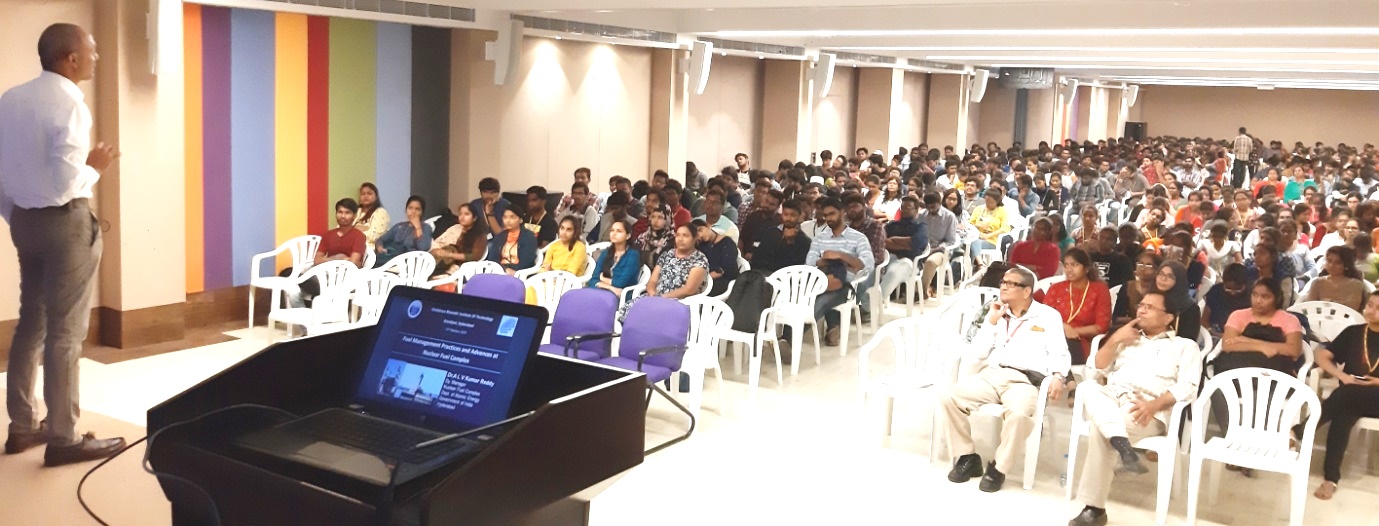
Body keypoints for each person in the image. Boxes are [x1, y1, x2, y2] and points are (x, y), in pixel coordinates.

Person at [0, 23, 127, 465]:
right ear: (71, 59)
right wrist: (96, 168)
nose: (95, 57)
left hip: (24, 222)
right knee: (65, 334)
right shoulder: (70, 102)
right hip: (64, 224)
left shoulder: (10, 99)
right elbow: (63, 181)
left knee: (31, 323)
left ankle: (21, 427)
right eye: (91, 51)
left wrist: (17, 214)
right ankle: (64, 438)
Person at [1067, 290, 1201, 526]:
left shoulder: (1184, 346)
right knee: (1087, 387)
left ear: (1168, 317)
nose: (1142, 310)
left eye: (1150, 307)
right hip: (1111, 397)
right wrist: (1115, 339)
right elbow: (1095, 369)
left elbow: (1189, 387)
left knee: (1100, 429)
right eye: (1141, 305)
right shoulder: (1127, 338)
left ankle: (1094, 508)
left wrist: (1153, 405)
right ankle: (1121, 444)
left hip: (1144, 408)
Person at [938, 266, 1070, 493]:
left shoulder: (1048, 316)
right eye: (1003, 282)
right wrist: (991, 322)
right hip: (992, 374)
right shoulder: (997, 312)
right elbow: (978, 353)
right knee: (949, 397)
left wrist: (1058, 376)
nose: (1004, 287)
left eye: (1011, 283)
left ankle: (999, 467)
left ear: (1027, 291)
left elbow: (1060, 352)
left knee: (1019, 415)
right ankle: (967, 456)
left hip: (1024, 381)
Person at [1210, 278, 1305, 453]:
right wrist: (1264, 347)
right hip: (1236, 371)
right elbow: (1228, 345)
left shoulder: (1289, 320)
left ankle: (1258, 447)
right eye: (1255, 295)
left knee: (1258, 395)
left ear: (1276, 298)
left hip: (1273, 375)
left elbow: (1294, 350)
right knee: (1218, 388)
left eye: (1265, 297)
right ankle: (1232, 441)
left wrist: (1244, 340)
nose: (1258, 300)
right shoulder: (1238, 316)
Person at [1305, 293, 1379, 500]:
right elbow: (1322, 355)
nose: (1371, 311)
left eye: (1378, 308)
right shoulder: (1354, 332)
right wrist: (1341, 375)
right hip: (1351, 395)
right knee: (1342, 414)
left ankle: (1302, 429)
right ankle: (1330, 479)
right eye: (1370, 305)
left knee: (1345, 395)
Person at [806, 197, 875, 346]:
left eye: (832, 214)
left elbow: (867, 265)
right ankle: (833, 326)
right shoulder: (820, 238)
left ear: (842, 212)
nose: (828, 218)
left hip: (848, 285)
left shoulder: (858, 238)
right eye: (826, 215)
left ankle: (790, 337)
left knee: (820, 301)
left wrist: (841, 256)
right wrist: (828, 260)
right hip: (823, 280)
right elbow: (810, 262)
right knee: (808, 298)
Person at [1036, 248, 1112, 365]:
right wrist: (1064, 328)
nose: (1069, 270)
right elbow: (1044, 316)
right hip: (1052, 335)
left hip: (1080, 341)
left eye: (1074, 265)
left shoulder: (1100, 289)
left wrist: (1074, 331)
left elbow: (1101, 327)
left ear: (1086, 268)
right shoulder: (1056, 288)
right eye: (1066, 265)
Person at [622, 224, 708, 319]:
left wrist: (663, 298)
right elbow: (653, 280)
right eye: (678, 235)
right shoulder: (667, 254)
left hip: (681, 302)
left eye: (685, 236)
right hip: (656, 297)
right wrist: (652, 293)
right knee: (630, 309)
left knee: (649, 315)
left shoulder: (699, 259)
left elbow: (689, 290)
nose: (680, 239)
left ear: (695, 238)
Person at [878, 196, 928, 304]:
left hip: (910, 261)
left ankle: (871, 304)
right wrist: (906, 244)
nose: (904, 210)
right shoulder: (892, 225)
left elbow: (917, 243)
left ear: (916, 210)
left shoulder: (920, 226)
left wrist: (893, 240)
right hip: (889, 258)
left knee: (893, 272)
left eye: (908, 208)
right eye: (903, 207)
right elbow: (882, 242)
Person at [754, 198, 813, 275]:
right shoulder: (771, 232)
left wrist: (789, 242)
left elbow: (795, 267)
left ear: (799, 217)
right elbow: (758, 258)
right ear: (782, 215)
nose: (788, 218)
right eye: (786, 214)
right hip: (763, 274)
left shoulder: (804, 241)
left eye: (793, 215)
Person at [918, 192, 960, 298]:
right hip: (923, 248)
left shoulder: (949, 216)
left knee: (931, 262)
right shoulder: (922, 215)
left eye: (933, 207)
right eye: (928, 207)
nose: (930, 210)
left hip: (941, 251)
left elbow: (951, 241)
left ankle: (921, 291)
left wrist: (934, 249)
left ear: (939, 203)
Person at [1303, 245, 1369, 311]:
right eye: (1329, 261)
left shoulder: (1356, 285)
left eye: (1338, 263)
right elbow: (1310, 308)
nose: (1332, 265)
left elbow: (1352, 310)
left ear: (1346, 265)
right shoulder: (1317, 283)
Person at [374, 196, 433, 266]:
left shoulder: (426, 227)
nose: (413, 211)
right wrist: (380, 247)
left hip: (409, 264)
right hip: (390, 259)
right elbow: (381, 239)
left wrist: (418, 227)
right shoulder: (399, 226)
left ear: (422, 212)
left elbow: (423, 248)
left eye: (417, 209)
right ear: (406, 210)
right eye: (410, 208)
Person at [430, 203, 488, 274]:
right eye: (460, 214)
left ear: (474, 218)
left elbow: (475, 256)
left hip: (464, 267)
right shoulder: (455, 229)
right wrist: (437, 251)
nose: (462, 217)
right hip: (443, 262)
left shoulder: (480, 235)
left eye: (466, 214)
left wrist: (450, 255)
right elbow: (438, 243)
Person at [588, 218, 641, 296]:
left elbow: (620, 283)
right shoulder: (605, 253)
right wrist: (611, 288)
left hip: (622, 295)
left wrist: (602, 279)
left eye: (619, 231)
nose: (614, 233)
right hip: (604, 290)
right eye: (612, 230)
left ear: (628, 236)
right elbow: (593, 279)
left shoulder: (633, 255)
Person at [1155, 260, 1202, 344]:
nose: (1163, 279)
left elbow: (1189, 341)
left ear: (1179, 280)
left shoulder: (1190, 308)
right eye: (1161, 274)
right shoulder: (1150, 298)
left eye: (1170, 276)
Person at [1201, 263, 1252, 338]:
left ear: (1245, 284)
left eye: (1238, 289)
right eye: (1228, 288)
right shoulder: (1215, 292)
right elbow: (1204, 321)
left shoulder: (1251, 297)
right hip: (1214, 335)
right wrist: (1218, 334)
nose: (1232, 292)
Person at [486, 205, 537, 276]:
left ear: (521, 220)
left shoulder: (529, 237)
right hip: (500, 270)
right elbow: (492, 258)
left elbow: (527, 261)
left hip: (520, 272)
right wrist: (504, 269)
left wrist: (513, 271)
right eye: (505, 217)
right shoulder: (500, 236)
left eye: (512, 217)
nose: (508, 220)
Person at [315, 198, 366, 268]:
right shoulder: (328, 235)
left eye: (347, 213)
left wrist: (327, 260)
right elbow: (317, 260)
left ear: (354, 216)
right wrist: (339, 259)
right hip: (329, 271)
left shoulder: (359, 236)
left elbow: (353, 262)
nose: (343, 216)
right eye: (340, 212)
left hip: (350, 272)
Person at [1113, 251, 1162, 324]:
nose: (1143, 268)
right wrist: (1137, 320)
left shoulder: (1160, 289)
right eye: (1140, 264)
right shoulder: (1127, 287)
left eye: (1148, 266)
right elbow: (1116, 318)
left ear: (1156, 270)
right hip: (1130, 325)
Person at [693, 219, 738, 296]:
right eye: (696, 235)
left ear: (708, 226)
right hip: (708, 279)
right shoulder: (703, 245)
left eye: (700, 230)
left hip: (726, 281)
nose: (700, 235)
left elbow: (723, 270)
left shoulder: (727, 243)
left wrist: (703, 280)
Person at [969, 192, 1011, 264]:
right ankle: (977, 264)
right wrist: (978, 226)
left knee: (972, 243)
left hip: (992, 240)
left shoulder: (1002, 211)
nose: (988, 204)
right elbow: (970, 223)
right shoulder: (979, 209)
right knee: (969, 243)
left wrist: (987, 236)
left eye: (990, 202)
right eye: (986, 201)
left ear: (997, 201)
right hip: (977, 235)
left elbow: (1005, 228)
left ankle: (977, 265)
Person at [355, 182, 391, 250]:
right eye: (363, 194)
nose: (366, 196)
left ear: (376, 196)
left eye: (369, 193)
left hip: (370, 249)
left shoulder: (380, 212)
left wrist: (354, 229)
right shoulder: (355, 211)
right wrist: (364, 228)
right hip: (350, 246)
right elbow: (342, 229)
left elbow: (375, 236)